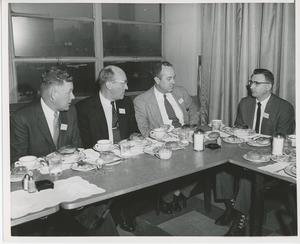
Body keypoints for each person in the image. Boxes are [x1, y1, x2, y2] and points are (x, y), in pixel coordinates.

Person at [10, 67, 118, 236]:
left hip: (69, 182)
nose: (73, 97)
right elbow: (17, 162)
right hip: (40, 188)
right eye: (69, 92)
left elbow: (78, 148)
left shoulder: (70, 112)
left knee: (101, 212)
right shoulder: (22, 118)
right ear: (54, 94)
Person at [215, 68, 295, 236]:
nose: (251, 86)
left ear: (269, 86)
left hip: (269, 157)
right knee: (220, 166)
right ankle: (231, 208)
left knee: (248, 177)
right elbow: (238, 129)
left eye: (256, 83)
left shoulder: (284, 108)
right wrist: (239, 133)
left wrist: (258, 140)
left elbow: (281, 140)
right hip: (244, 150)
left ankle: (240, 219)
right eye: (251, 82)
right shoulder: (245, 103)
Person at [76, 65, 145, 232]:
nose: (127, 88)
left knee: (150, 179)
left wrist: (137, 137)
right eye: (124, 83)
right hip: (101, 163)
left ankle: (125, 213)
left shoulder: (126, 103)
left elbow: (133, 131)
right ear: (109, 85)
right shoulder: (84, 108)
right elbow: (83, 145)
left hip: (127, 158)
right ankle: (112, 215)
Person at [133, 61, 200, 214]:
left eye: (174, 78)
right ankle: (170, 197)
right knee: (167, 164)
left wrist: (190, 127)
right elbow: (143, 130)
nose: (174, 82)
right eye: (169, 79)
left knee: (206, 159)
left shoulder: (181, 92)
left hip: (186, 136)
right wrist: (157, 131)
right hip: (163, 143)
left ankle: (182, 191)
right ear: (157, 80)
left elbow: (194, 109)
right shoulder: (142, 101)